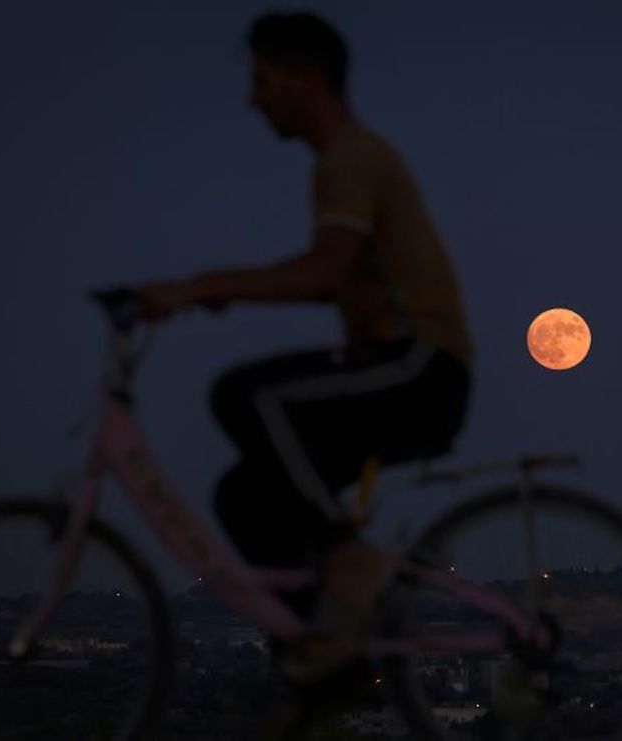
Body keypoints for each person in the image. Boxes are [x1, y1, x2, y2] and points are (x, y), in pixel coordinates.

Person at [135, 11, 473, 634]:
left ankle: (352, 566)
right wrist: (222, 290)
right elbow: (340, 281)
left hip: (418, 367)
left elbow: (324, 271)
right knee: (245, 497)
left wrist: (202, 287)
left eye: (263, 81)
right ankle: (325, 646)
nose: (252, 100)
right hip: (402, 368)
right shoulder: (349, 160)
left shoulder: (351, 159)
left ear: (305, 78)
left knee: (245, 394)